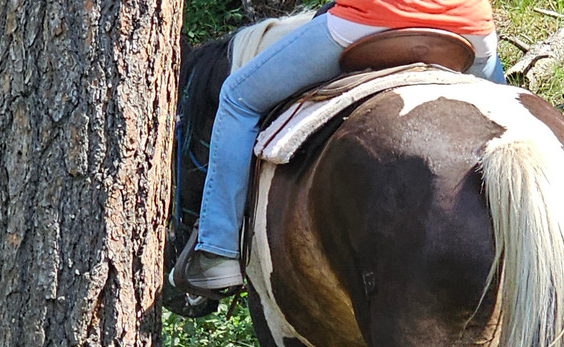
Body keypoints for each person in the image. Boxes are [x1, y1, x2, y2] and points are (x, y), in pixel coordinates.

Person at [171, 0, 506, 299]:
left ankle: (218, 252)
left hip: (368, 19)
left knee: (237, 99)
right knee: (508, 127)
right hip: (472, 28)